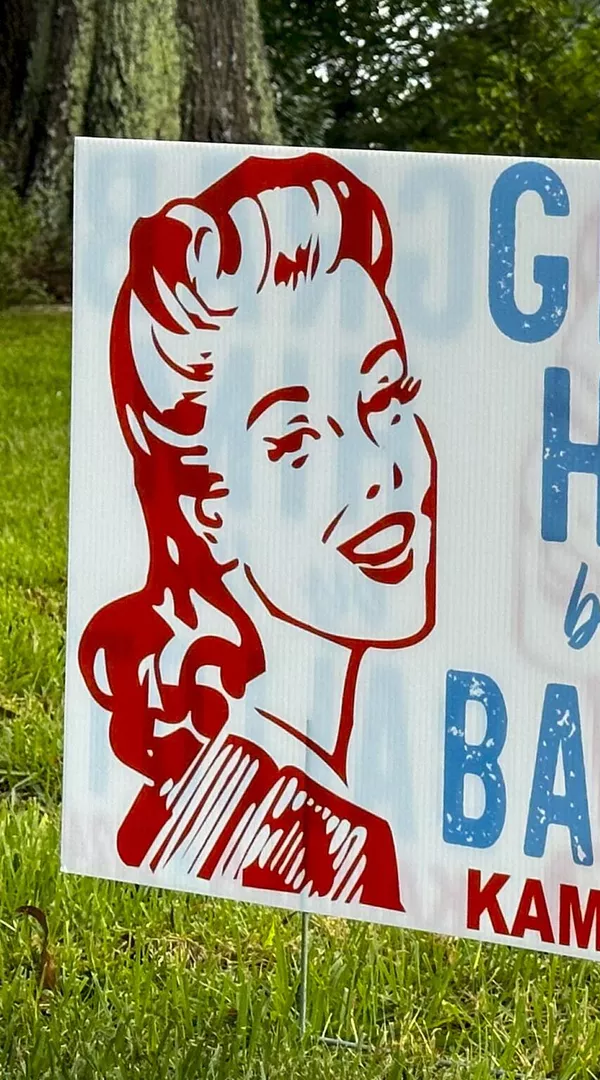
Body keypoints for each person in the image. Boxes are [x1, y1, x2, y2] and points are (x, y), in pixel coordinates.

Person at [79, 154, 436, 911]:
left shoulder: (329, 816)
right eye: (298, 437)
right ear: (208, 507)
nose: (382, 469)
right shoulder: (266, 839)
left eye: (389, 400)